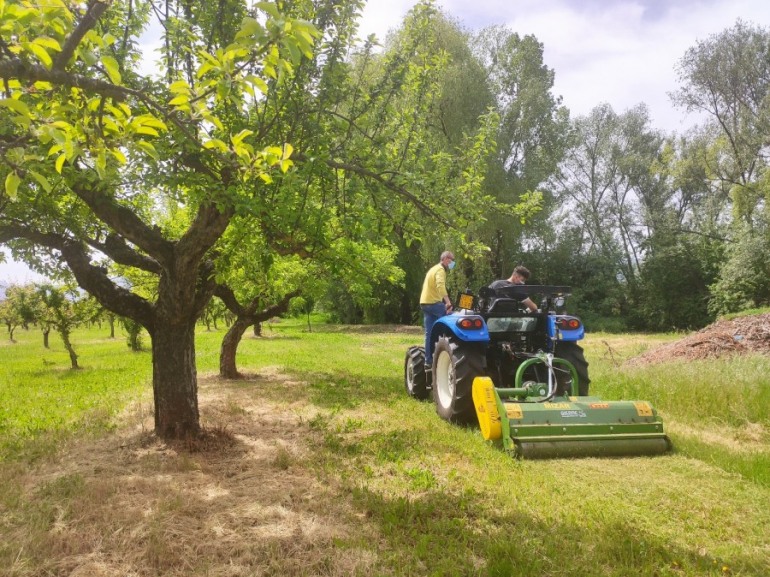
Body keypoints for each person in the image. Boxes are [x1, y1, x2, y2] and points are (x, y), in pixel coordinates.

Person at [420, 250, 455, 371]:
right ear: (445, 259)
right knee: (451, 320)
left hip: (425, 303)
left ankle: (428, 361)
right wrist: (448, 302)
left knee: (429, 333)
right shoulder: (440, 270)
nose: (452, 263)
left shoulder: (433, 269)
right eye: (451, 260)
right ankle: (448, 350)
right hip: (434, 303)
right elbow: (440, 285)